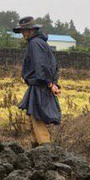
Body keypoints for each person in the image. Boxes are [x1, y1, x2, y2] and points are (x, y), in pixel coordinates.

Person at [14, 16, 61, 145]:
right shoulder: (42, 43)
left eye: (25, 30)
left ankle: (45, 147)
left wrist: (50, 83)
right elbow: (53, 65)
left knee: (37, 117)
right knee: (36, 115)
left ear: (32, 30)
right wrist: (53, 83)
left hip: (40, 85)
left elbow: (41, 65)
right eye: (22, 31)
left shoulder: (35, 44)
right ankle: (41, 145)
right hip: (43, 84)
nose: (23, 34)